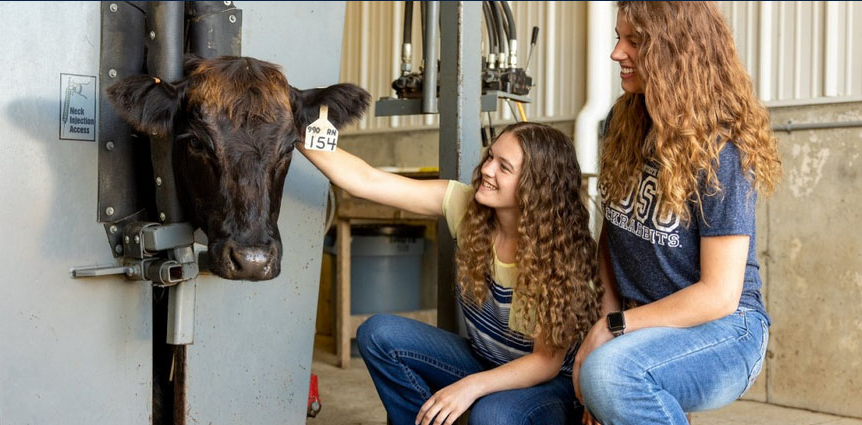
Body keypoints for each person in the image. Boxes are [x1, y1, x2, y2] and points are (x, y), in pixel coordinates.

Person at [299, 121, 601, 425]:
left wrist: (470, 387)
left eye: (504, 167)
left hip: (549, 385)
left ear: (536, 188)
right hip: (486, 360)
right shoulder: (467, 207)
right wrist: (295, 133)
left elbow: (545, 363)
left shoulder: (558, 254)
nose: (487, 169)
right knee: (379, 335)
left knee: (492, 414)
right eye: (490, 157)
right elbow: (367, 180)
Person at [573, 2, 782, 425]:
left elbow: (718, 295)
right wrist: (606, 324)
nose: (617, 53)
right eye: (619, 38)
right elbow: (612, 233)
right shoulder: (624, 120)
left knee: (611, 373)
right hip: (647, 322)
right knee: (599, 372)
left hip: (728, 329)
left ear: (674, 49)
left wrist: (613, 330)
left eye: (635, 41)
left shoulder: (722, 148)